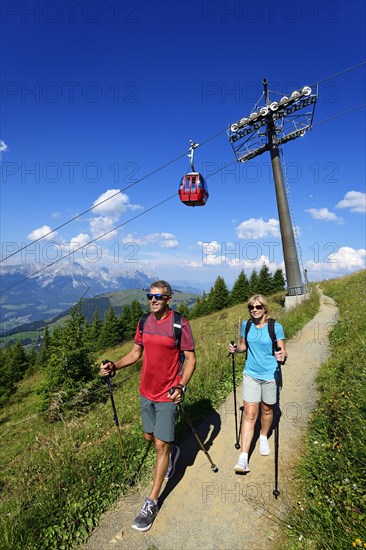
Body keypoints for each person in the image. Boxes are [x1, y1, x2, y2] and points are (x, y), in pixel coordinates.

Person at [100, 280, 196, 532]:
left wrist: (181, 386)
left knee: (160, 446)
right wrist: (114, 366)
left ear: (168, 299)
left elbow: (191, 360)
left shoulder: (180, 323)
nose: (153, 300)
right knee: (149, 437)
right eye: (149, 296)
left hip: (167, 393)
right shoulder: (144, 322)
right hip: (146, 392)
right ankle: (173, 453)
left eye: (158, 297)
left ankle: (151, 502)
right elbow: (135, 353)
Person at [228, 294, 287, 473]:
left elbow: (283, 351)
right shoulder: (246, 325)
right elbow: (244, 345)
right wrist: (236, 349)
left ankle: (263, 436)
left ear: (265, 309)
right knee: (249, 413)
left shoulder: (275, 327)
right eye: (251, 307)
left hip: (270, 375)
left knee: (267, 410)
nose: (254, 310)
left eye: (258, 307)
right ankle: (244, 458)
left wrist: (281, 356)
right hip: (251, 374)